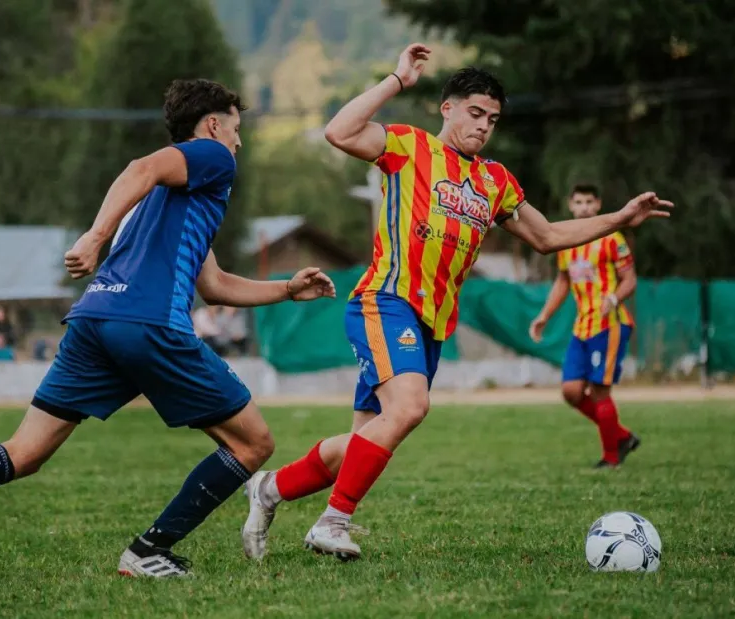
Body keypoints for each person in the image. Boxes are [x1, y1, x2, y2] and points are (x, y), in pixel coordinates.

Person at [0, 78, 337, 585]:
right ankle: (149, 550)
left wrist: (286, 288)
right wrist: (93, 237)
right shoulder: (212, 158)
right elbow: (142, 167)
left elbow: (213, 285)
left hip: (93, 321)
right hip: (149, 324)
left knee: (25, 451)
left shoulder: (171, 202)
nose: (240, 141)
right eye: (237, 129)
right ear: (213, 125)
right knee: (253, 444)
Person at [240, 44, 673, 563]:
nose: (484, 125)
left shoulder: (494, 181)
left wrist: (620, 218)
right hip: (386, 301)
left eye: (492, 118)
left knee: (361, 442)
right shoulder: (408, 146)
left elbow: (549, 235)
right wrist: (397, 79)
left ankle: (269, 489)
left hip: (432, 324)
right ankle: (333, 522)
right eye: (474, 112)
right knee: (410, 407)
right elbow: (339, 131)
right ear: (447, 108)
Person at [529, 184, 641, 468]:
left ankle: (611, 458)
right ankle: (622, 435)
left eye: (589, 202)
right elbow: (563, 281)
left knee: (599, 391)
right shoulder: (567, 241)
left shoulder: (613, 239)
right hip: (583, 326)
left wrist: (614, 297)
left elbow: (630, 279)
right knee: (571, 391)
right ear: (570, 206)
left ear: (598, 204)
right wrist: (544, 315)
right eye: (578, 202)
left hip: (610, 324)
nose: (584, 207)